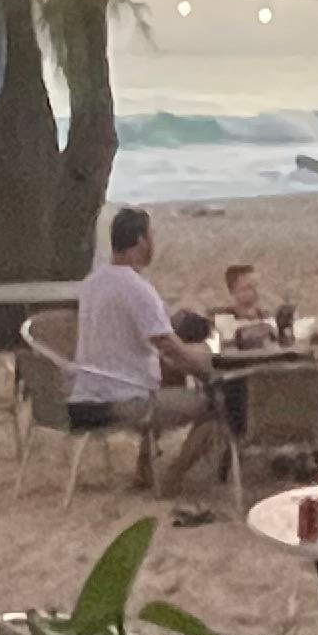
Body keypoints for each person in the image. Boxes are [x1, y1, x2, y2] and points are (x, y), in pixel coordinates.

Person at [69, 204, 221, 489]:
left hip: (86, 393)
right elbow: (170, 346)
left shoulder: (92, 283)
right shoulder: (137, 289)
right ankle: (172, 478)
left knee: (168, 376)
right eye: (152, 235)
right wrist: (209, 371)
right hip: (120, 401)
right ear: (140, 240)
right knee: (218, 403)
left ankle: (145, 468)